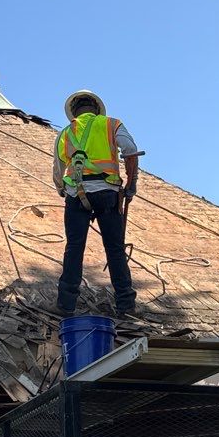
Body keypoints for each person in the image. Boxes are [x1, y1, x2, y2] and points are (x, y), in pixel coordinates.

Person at [54, 90, 139, 317]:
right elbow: (130, 150)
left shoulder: (65, 133)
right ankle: (126, 305)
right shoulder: (111, 124)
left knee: (74, 248)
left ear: (74, 112)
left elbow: (58, 170)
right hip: (107, 193)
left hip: (76, 195)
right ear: (96, 109)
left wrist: (63, 189)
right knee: (115, 249)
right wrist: (132, 184)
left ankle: (65, 305)